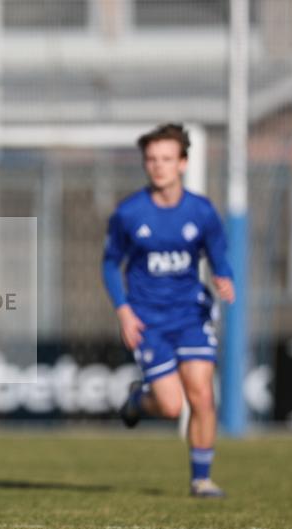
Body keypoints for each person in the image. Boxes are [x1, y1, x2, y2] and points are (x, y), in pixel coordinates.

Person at [102, 123, 235, 498]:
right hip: (148, 321)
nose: (158, 166)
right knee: (172, 405)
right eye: (151, 159)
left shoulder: (201, 211)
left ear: (183, 163)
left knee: (202, 395)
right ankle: (137, 400)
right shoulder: (129, 213)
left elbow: (219, 255)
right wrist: (124, 311)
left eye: (166, 159)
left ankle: (201, 479)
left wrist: (224, 277)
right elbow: (110, 264)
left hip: (191, 315)